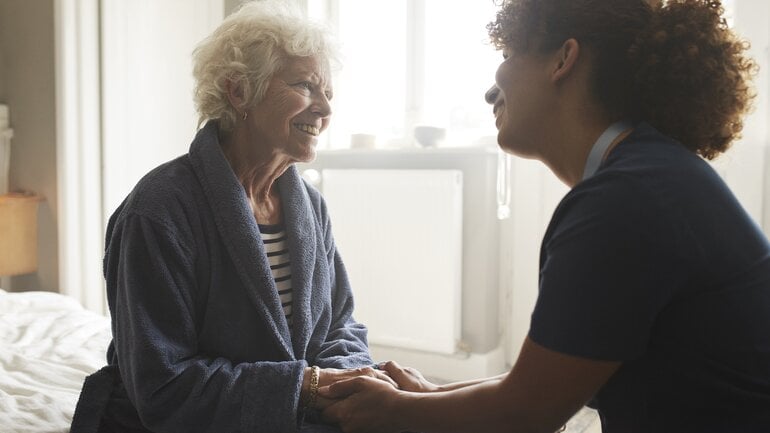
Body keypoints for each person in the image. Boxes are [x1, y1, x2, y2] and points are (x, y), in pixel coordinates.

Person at [319, 1, 770, 432]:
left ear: (563, 60)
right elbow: (549, 386)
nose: (490, 90)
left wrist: (396, 411)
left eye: (508, 54)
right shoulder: (650, 177)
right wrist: (425, 395)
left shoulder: (625, 201)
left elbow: (528, 414)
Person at [70, 2, 392, 432]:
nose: (325, 110)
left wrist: (346, 385)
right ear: (239, 91)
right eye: (305, 86)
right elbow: (163, 387)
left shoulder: (311, 207)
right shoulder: (157, 211)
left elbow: (340, 323)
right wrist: (306, 386)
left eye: (328, 93)